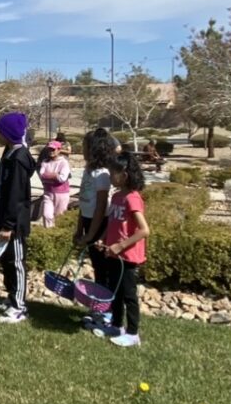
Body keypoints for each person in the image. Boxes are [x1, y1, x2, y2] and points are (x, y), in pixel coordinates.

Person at [92, 151, 150, 347]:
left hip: (128, 256)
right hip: (113, 253)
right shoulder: (116, 196)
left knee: (128, 295)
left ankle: (133, 333)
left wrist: (121, 245)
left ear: (124, 175)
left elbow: (144, 230)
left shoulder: (132, 198)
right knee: (114, 292)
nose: (110, 176)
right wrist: (102, 239)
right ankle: (116, 325)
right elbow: (112, 224)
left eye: (112, 173)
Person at [0, 113, 37, 325]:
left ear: (8, 133)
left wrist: (8, 225)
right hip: (4, 220)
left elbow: (16, 196)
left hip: (14, 223)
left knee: (16, 262)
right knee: (7, 261)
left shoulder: (19, 158)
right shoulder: (9, 152)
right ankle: (11, 298)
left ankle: (19, 307)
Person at [74, 128, 121, 331]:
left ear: (94, 149)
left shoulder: (102, 175)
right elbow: (83, 203)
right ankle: (99, 310)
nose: (82, 149)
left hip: (99, 225)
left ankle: (107, 313)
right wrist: (79, 230)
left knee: (104, 270)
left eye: (85, 146)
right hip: (87, 222)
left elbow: (101, 208)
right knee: (98, 269)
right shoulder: (88, 170)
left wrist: (92, 235)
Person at [37, 141, 71, 228]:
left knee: (59, 217)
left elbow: (62, 178)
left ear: (59, 150)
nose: (51, 151)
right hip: (48, 193)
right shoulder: (45, 162)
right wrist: (55, 175)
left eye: (53, 149)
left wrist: (49, 175)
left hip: (62, 194)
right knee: (47, 215)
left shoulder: (64, 163)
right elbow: (41, 175)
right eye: (49, 149)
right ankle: (49, 234)